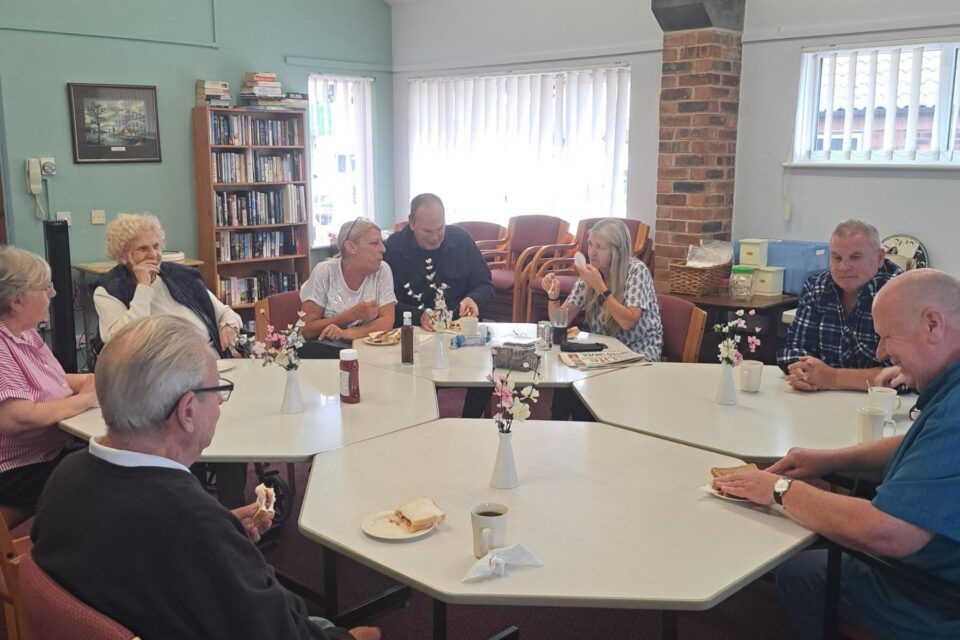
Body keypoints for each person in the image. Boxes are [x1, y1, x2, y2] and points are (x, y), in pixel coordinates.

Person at [31, 316, 378, 640]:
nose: (220, 405)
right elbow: (281, 630)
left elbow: (136, 550)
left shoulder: (65, 477)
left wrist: (224, 530)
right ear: (187, 411)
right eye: (217, 392)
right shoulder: (192, 525)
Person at [714, 269, 960, 640]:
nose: (880, 352)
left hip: (937, 597)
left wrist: (779, 490)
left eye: (887, 336)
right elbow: (919, 444)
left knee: (799, 571)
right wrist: (832, 460)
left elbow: (890, 532)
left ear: (933, 325)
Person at [0, 246, 95, 528]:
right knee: (108, 470)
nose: (52, 294)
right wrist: (86, 398)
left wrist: (90, 380)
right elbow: (17, 418)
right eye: (45, 288)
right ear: (17, 300)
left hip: (49, 451)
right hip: (16, 468)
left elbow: (53, 379)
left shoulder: (26, 334)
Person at [541, 218, 662, 419]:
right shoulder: (590, 273)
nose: (592, 252)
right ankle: (560, 428)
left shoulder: (636, 271)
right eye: (590, 244)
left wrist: (600, 288)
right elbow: (560, 321)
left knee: (584, 394)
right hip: (604, 352)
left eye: (600, 247)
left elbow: (628, 322)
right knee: (566, 384)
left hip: (637, 352)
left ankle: (592, 427)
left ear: (616, 251)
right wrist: (553, 296)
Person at [777, 219, 902, 392]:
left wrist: (832, 377)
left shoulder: (900, 292)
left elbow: (904, 375)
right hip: (822, 398)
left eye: (855, 257)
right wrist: (801, 372)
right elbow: (793, 350)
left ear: (879, 257)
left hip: (883, 403)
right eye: (837, 257)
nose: (843, 267)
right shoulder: (817, 286)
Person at [95, 213, 241, 357]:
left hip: (214, 361)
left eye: (156, 246)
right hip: (161, 368)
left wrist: (229, 326)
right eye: (143, 249)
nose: (153, 254)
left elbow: (224, 312)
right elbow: (120, 341)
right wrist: (143, 287)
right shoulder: (108, 290)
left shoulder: (181, 275)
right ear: (123, 255)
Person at [384, 193, 494, 330]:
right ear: (411, 223)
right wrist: (419, 316)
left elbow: (485, 285)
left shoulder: (461, 239)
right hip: (412, 331)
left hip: (458, 328)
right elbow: (385, 304)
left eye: (440, 228)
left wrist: (474, 299)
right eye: (427, 231)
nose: (435, 237)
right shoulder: (393, 248)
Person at [300, 217, 396, 343]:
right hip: (328, 349)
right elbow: (306, 329)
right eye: (374, 243)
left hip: (365, 348)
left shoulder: (382, 270)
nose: (383, 249)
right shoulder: (325, 272)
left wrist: (346, 334)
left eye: (382, 242)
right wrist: (350, 316)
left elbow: (387, 321)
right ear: (351, 247)